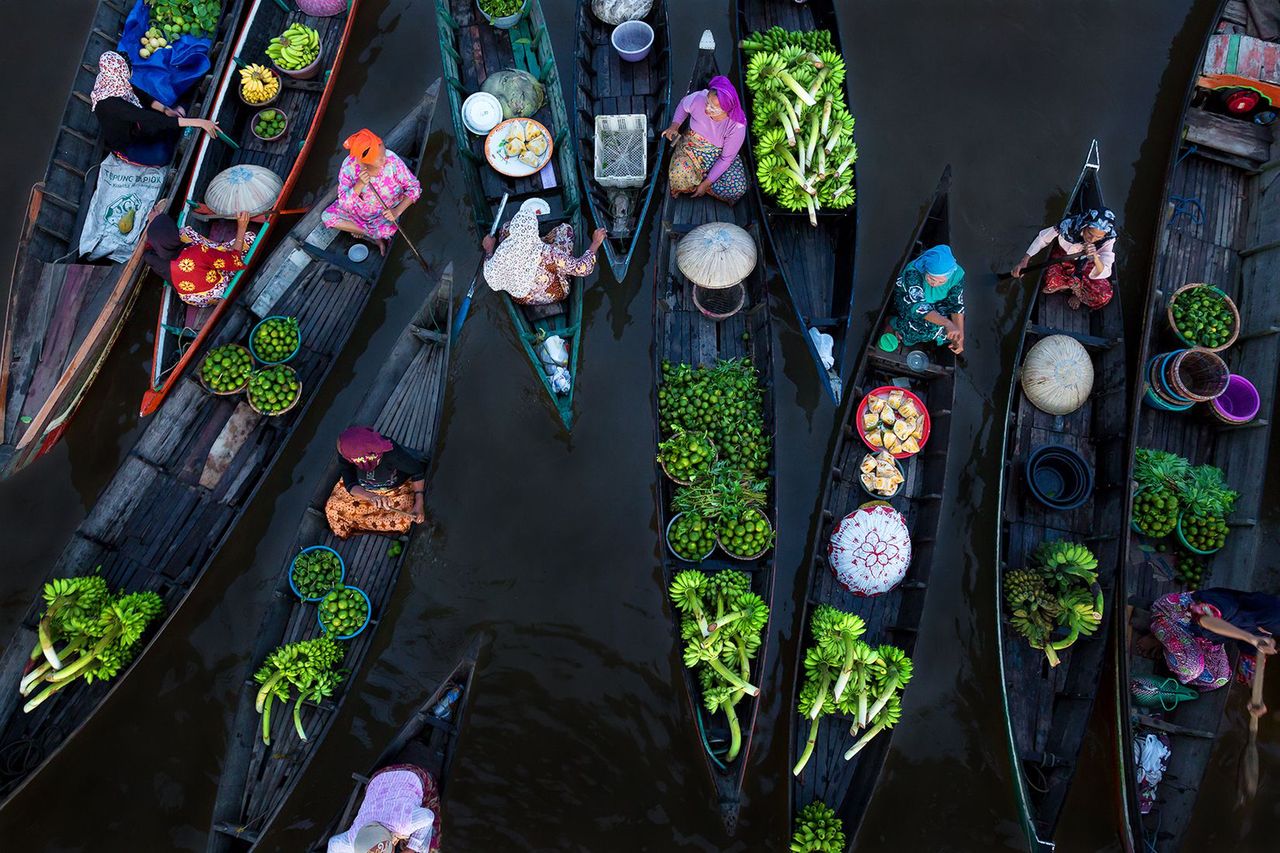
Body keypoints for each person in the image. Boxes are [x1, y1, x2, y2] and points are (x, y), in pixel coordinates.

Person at [1139, 587, 1278, 714]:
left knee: (1219, 678)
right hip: (1175, 617)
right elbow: (1205, 620)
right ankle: (1158, 636)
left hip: (1203, 638)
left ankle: (1169, 648)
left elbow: (1250, 665)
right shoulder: (1230, 604)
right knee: (1192, 668)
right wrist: (1250, 637)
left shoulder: (1262, 632)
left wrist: (1256, 697)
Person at [91, 51, 219, 161]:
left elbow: (143, 96)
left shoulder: (113, 80)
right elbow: (149, 118)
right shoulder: (111, 104)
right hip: (128, 142)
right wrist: (200, 123)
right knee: (163, 155)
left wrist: (166, 109)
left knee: (171, 114)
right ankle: (182, 135)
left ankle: (181, 129)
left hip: (137, 122)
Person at [481, 198, 606, 306]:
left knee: (504, 228)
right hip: (554, 295)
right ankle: (544, 240)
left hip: (522, 299)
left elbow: (490, 274)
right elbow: (582, 268)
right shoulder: (548, 254)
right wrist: (595, 243)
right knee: (566, 230)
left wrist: (489, 250)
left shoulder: (502, 252)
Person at [322, 128, 423, 255]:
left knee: (390, 231)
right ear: (365, 162)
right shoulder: (349, 167)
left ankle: (368, 233)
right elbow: (344, 203)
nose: (384, 158)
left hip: (387, 212)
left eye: (383, 152)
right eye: (379, 158)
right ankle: (372, 235)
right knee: (327, 217)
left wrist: (397, 211)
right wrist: (359, 184)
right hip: (360, 211)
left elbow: (414, 188)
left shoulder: (391, 160)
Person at [324, 426, 428, 540]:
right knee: (332, 508)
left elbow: (417, 471)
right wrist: (371, 496)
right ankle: (364, 524)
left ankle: (362, 524)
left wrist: (419, 501)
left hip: (395, 491)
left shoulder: (391, 453)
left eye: (344, 455)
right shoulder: (347, 453)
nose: (342, 456)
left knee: (403, 521)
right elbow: (349, 481)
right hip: (364, 492)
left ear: (362, 459)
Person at [660, 75, 749, 204]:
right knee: (678, 174)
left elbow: (725, 159)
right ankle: (700, 184)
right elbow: (683, 106)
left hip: (718, 156)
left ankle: (701, 184)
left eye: (713, 108)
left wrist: (706, 183)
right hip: (692, 147)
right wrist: (675, 125)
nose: (707, 109)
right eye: (708, 103)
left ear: (727, 110)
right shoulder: (699, 98)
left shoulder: (737, 126)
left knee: (737, 189)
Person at [141, 208, 255, 307]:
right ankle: (217, 250)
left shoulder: (152, 259)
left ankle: (215, 252)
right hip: (218, 293)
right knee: (249, 238)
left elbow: (149, 247)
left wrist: (153, 223)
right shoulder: (198, 252)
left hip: (195, 300)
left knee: (185, 233)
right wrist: (242, 227)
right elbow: (235, 261)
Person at [1010, 207, 1117, 310]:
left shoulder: (1108, 239)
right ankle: (1071, 286)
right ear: (1085, 226)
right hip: (1064, 259)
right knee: (1048, 284)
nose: (1092, 239)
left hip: (1087, 265)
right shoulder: (1068, 226)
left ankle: (1076, 292)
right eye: (1090, 233)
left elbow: (1106, 269)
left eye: (1098, 237)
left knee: (1104, 295)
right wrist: (1024, 260)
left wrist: (1095, 257)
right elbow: (1043, 239)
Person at [326, 764, 441, 853]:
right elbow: (333, 844)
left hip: (411, 776)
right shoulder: (353, 838)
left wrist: (411, 848)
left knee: (431, 844)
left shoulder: (402, 824)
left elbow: (428, 816)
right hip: (378, 778)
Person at [888, 244, 966, 354]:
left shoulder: (957, 274)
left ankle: (934, 331)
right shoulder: (913, 273)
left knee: (950, 330)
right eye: (931, 278)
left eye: (941, 282)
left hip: (935, 302)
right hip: (910, 301)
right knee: (920, 331)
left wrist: (960, 334)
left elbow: (956, 303)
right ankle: (895, 323)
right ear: (926, 269)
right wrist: (947, 323)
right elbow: (919, 307)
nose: (935, 284)